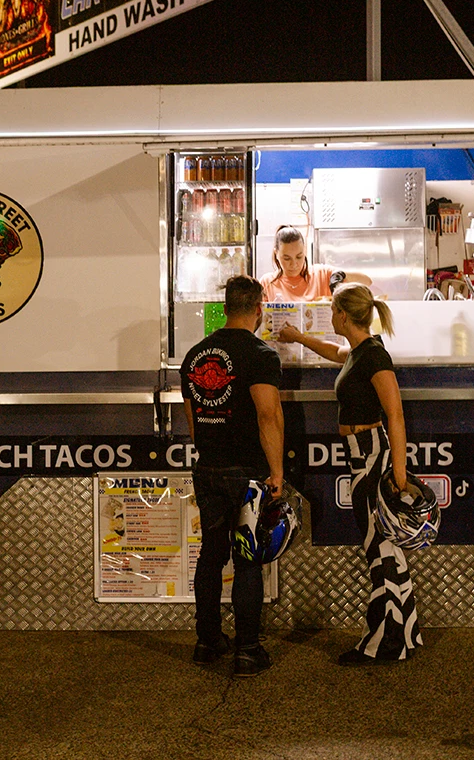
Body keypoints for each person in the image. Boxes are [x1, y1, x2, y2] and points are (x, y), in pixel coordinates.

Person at [276, 282, 422, 665]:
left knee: (379, 549)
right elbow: (335, 352)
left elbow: (396, 415)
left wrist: (399, 476)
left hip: (372, 456)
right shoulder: (359, 351)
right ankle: (404, 634)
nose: (330, 316)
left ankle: (383, 643)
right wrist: (298, 337)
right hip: (362, 455)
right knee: (385, 547)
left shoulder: (374, 356)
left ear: (343, 315)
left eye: (332, 310)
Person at [180, 275, 285, 678]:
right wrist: (276, 472)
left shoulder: (195, 355)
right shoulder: (260, 355)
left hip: (208, 468)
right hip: (247, 473)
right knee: (247, 561)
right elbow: (268, 416)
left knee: (211, 555)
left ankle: (207, 642)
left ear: (224, 308)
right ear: (259, 309)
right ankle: (248, 651)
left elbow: (193, 422)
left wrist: (212, 451)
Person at [259, 225, 371, 302]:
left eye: (299, 257)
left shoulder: (321, 274)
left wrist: (340, 275)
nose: (294, 264)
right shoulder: (267, 282)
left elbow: (367, 281)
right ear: (276, 253)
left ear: (305, 251)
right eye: (287, 258)